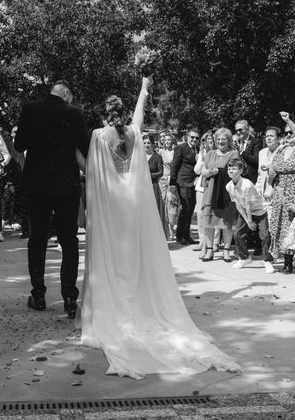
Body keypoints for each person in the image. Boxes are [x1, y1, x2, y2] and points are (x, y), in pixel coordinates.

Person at [78, 76, 240, 379]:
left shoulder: (99, 136)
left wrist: (68, 154)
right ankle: (141, 302)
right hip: (135, 206)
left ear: (104, 114)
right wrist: (144, 88)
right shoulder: (135, 134)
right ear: (123, 113)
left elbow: (89, 169)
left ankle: (115, 305)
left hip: (111, 206)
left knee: (112, 255)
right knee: (137, 257)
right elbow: (139, 116)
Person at [14, 80, 89, 318]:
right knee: (69, 241)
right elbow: (85, 149)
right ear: (66, 93)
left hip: (37, 185)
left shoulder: (31, 108)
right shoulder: (75, 112)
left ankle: (38, 294)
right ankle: (69, 297)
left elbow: (19, 144)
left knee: (37, 239)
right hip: (66, 185)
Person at [268, 112, 295, 273]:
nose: (289, 135)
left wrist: (288, 120)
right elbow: (272, 171)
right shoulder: (281, 150)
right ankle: (287, 262)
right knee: (281, 227)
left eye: (291, 132)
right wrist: (273, 184)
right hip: (280, 193)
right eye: (286, 132)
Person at [226, 158, 274, 272]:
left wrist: (250, 220)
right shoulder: (229, 186)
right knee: (238, 233)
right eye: (229, 168)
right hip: (246, 213)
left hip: (260, 211)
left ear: (241, 171)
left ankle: (267, 260)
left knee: (265, 235)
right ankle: (244, 258)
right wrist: (248, 221)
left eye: (234, 168)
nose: (230, 171)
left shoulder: (247, 184)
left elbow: (248, 204)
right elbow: (238, 203)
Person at [199, 128, 240, 262]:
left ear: (228, 141)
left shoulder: (234, 153)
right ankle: (209, 250)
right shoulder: (210, 154)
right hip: (210, 191)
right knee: (209, 221)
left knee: (227, 222)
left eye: (223, 139)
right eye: (218, 140)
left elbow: (235, 170)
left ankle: (226, 251)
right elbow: (203, 172)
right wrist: (211, 172)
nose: (220, 142)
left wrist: (220, 170)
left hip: (227, 192)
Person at [170, 127, 201, 244]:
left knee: (191, 209)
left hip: (194, 183)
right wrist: (172, 183)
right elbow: (174, 165)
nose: (194, 139)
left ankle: (187, 235)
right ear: (188, 137)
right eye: (192, 137)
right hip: (182, 182)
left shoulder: (198, 149)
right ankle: (179, 235)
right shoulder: (181, 147)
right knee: (185, 208)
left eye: (197, 138)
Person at [194, 132, 214, 257]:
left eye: (211, 141)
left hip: (212, 186)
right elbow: (196, 170)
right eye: (205, 141)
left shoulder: (218, 154)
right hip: (201, 187)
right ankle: (202, 241)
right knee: (201, 214)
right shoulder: (201, 154)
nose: (208, 143)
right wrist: (202, 159)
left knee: (213, 214)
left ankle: (214, 242)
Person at [159, 133, 179, 240]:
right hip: (162, 179)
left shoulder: (176, 151)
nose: (167, 141)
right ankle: (165, 230)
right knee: (163, 203)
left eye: (169, 139)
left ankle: (172, 230)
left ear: (172, 140)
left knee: (172, 204)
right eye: (165, 140)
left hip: (172, 178)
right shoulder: (160, 152)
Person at [143, 134, 164, 226]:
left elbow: (160, 172)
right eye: (144, 143)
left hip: (153, 185)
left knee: (153, 208)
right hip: (141, 186)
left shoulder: (157, 157)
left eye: (148, 143)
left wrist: (148, 175)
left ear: (152, 144)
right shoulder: (139, 156)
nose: (146, 145)